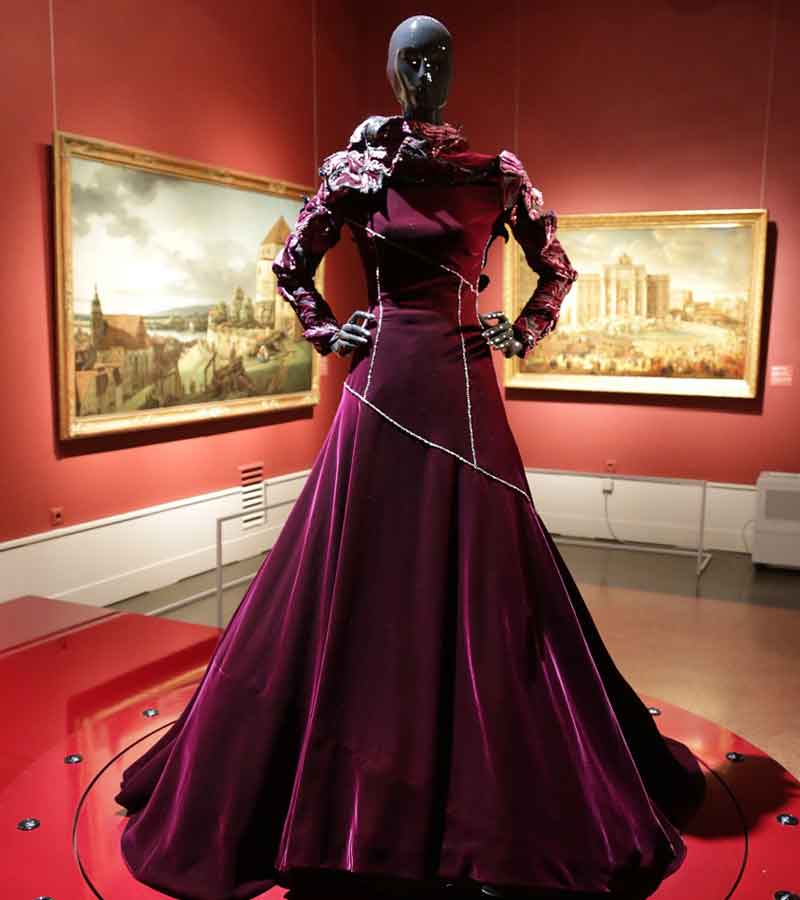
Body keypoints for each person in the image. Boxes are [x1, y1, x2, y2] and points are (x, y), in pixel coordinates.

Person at [114, 15, 706, 900]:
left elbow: (557, 268)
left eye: (438, 58)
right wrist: (327, 328)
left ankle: (489, 792)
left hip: (466, 386)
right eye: (409, 60)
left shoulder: (498, 175)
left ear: (454, 68)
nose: (425, 72)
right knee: (355, 568)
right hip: (383, 385)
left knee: (491, 578)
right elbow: (291, 266)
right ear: (393, 71)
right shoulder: (357, 172)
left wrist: (525, 327)